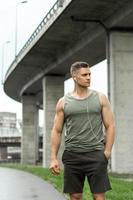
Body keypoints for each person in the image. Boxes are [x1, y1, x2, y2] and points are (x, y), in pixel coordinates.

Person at [50, 61, 115, 200]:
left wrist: (107, 151)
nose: (89, 77)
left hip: (96, 154)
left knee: (99, 197)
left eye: (90, 74)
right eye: (84, 75)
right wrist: (53, 158)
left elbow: (110, 125)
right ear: (74, 77)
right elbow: (56, 130)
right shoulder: (63, 102)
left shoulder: (100, 98)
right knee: (75, 196)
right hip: (73, 155)